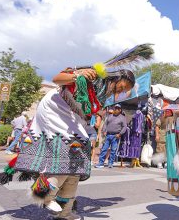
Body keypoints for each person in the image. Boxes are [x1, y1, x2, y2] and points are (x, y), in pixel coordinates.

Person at [9, 68, 135, 220]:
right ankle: (42, 193)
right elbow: (57, 78)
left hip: (69, 117)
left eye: (124, 91)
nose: (120, 91)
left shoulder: (103, 90)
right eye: (121, 87)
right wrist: (77, 75)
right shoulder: (93, 74)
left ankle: (65, 212)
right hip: (54, 110)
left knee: (77, 164)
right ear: (116, 78)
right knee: (69, 158)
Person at [95, 104, 127, 169]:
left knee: (113, 150)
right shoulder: (110, 116)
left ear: (120, 110)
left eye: (117, 109)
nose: (116, 110)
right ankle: (101, 163)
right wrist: (104, 131)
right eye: (115, 108)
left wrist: (120, 134)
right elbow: (105, 124)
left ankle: (110, 163)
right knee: (104, 149)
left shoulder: (122, 118)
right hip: (108, 135)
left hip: (116, 136)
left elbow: (124, 127)